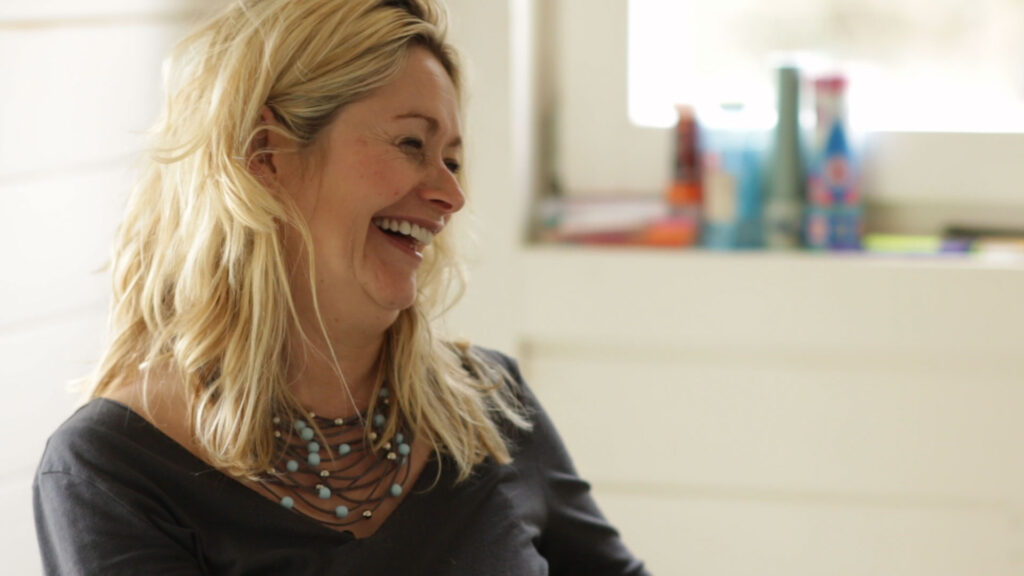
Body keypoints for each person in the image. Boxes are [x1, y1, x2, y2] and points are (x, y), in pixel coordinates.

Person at [33, 0, 650, 573]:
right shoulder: (113, 471)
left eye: (453, 160)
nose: (451, 195)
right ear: (265, 154)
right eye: (411, 143)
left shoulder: (492, 407)